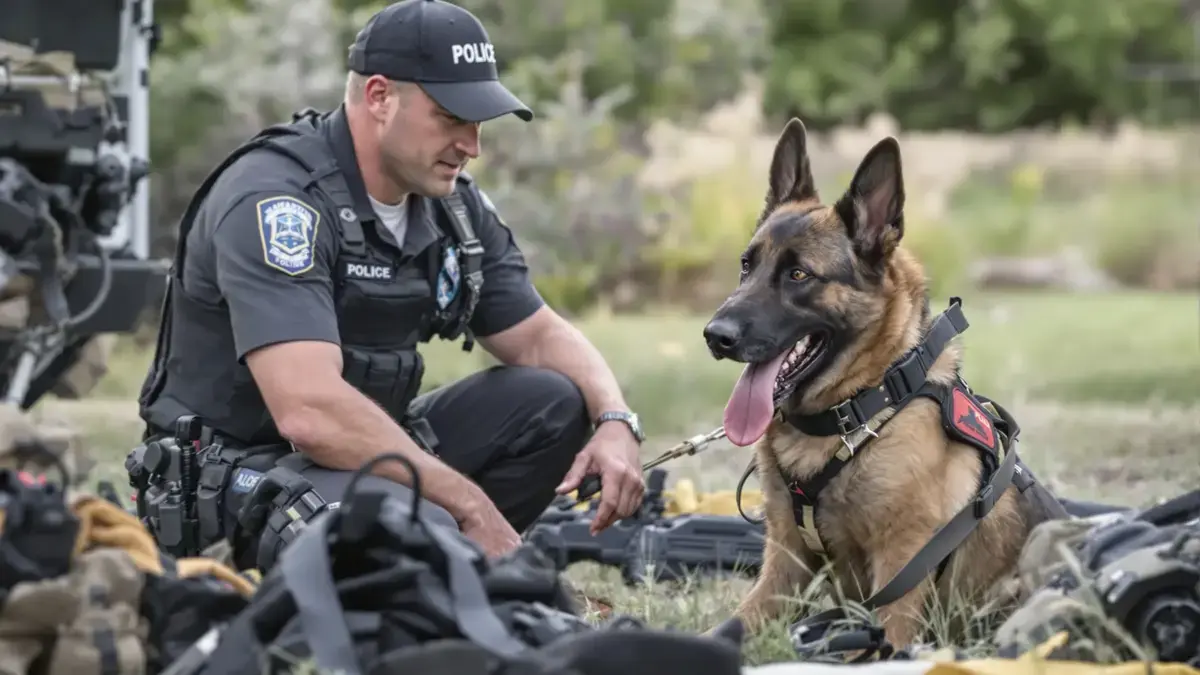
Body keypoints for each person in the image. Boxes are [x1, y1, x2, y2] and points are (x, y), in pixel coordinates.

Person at [133, 0, 646, 561]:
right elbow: (309, 411)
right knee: (408, 520)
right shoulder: (277, 202)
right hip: (236, 477)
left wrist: (616, 420)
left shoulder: (449, 205)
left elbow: (539, 337)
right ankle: (441, 558)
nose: (471, 146)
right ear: (379, 97)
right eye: (452, 118)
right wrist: (467, 504)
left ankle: (453, 561)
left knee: (554, 401)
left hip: (353, 465)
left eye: (478, 122)